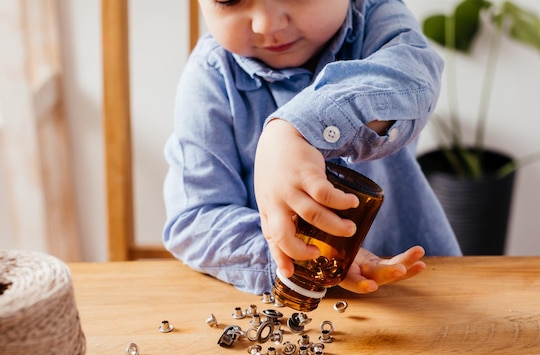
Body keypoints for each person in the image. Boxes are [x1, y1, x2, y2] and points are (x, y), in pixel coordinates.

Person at [163, 0, 461, 296]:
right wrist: (299, 255)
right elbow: (195, 220)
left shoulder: (377, 18)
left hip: (419, 285)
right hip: (289, 303)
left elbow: (414, 78)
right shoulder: (210, 75)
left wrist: (295, 129)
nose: (266, 25)